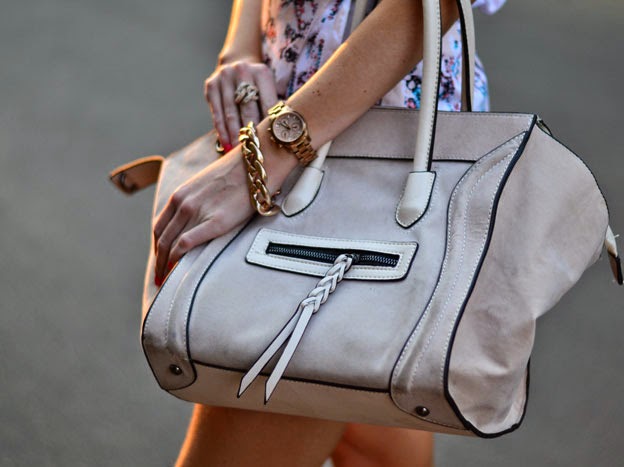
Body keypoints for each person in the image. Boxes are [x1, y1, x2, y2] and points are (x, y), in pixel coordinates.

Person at [152, 1, 505, 465]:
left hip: (374, 168)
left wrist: (270, 152)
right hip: (286, 132)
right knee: (374, 446)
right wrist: (240, 49)